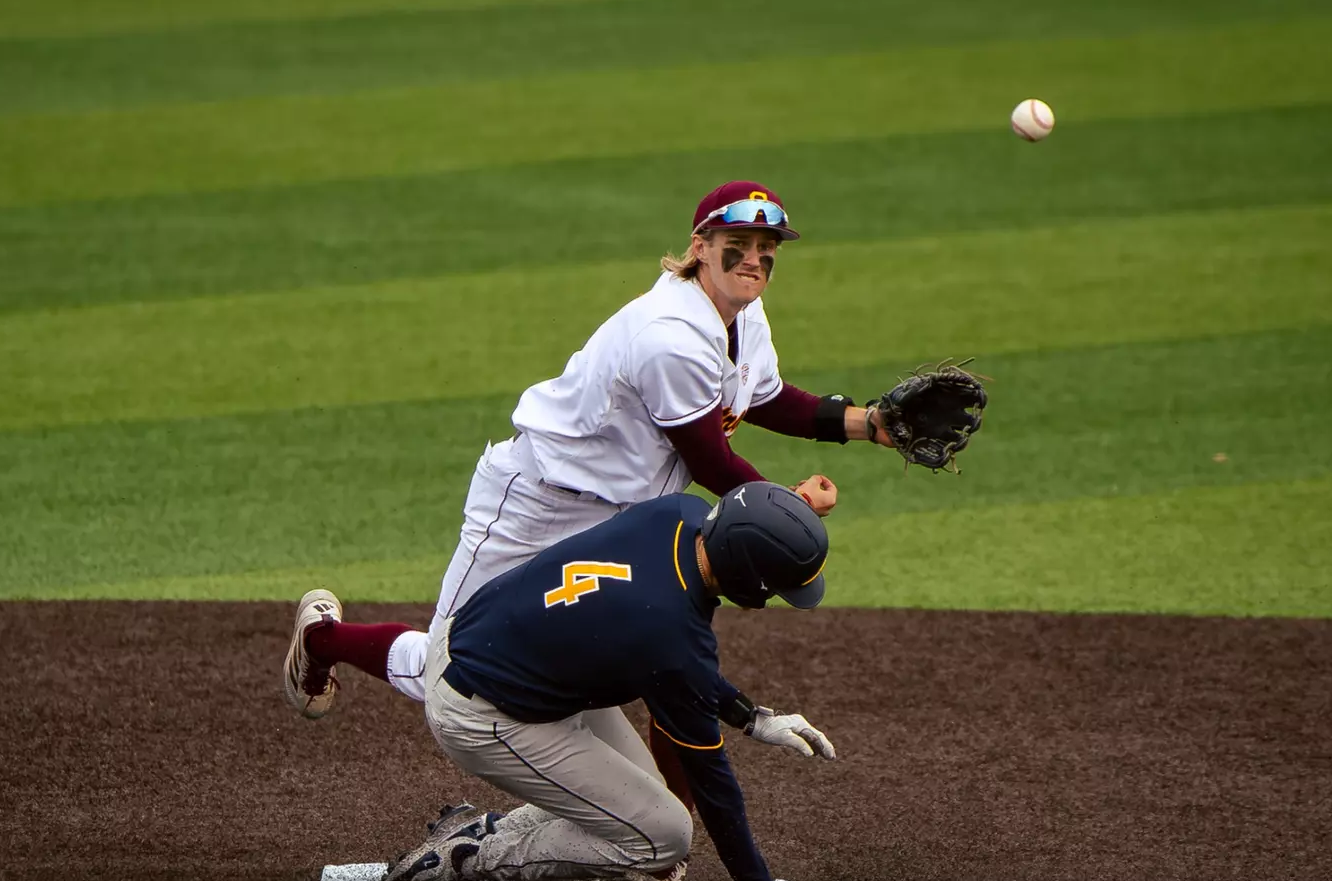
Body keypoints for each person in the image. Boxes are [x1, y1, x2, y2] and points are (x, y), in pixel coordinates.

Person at [283, 180, 901, 720]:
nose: (757, 258)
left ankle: (609, 813)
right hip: (539, 505)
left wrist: (865, 422)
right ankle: (322, 639)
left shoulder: (746, 315)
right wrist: (782, 508)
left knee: (586, 661)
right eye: (739, 242)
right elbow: (710, 460)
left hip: (620, 523)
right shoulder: (671, 336)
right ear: (700, 246)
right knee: (450, 669)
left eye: (768, 247)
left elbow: (762, 396)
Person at [377, 481, 845, 881]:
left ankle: (485, 828)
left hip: (488, 643)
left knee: (642, 796)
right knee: (663, 836)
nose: (774, 597)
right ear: (745, 575)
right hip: (481, 713)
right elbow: (713, 782)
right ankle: (469, 858)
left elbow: (686, 672)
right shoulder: (669, 632)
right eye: (775, 587)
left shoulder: (678, 513)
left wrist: (753, 718)